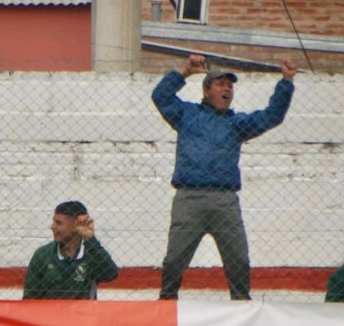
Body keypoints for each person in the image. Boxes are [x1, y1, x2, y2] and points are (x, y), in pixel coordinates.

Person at [152, 54, 297, 301]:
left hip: (225, 201)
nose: (227, 89)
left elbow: (272, 116)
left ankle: (241, 303)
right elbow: (160, 96)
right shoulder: (186, 114)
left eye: (230, 86)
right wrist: (184, 72)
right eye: (220, 84)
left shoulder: (237, 123)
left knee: (238, 259)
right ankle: (167, 302)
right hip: (189, 199)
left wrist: (286, 81)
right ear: (206, 90)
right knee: (175, 258)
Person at [22, 201, 118, 300]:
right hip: (48, 310)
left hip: (83, 310)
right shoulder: (43, 254)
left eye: (58, 223)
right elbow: (29, 297)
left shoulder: (92, 254)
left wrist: (90, 238)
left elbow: (110, 274)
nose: (52, 227)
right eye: (54, 221)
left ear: (75, 226)